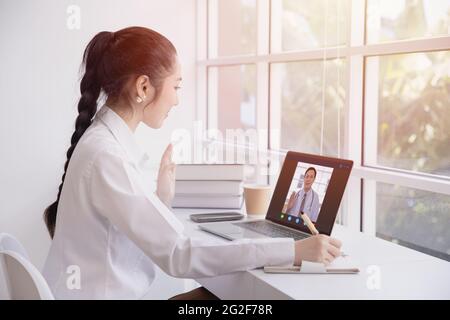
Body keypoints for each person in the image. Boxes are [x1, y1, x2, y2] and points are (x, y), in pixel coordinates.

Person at [42, 27, 342, 300]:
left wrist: (162, 198)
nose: (177, 100)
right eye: (176, 86)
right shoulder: (106, 155)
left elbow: (129, 230)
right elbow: (180, 255)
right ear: (143, 88)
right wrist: (293, 250)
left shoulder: (101, 142)